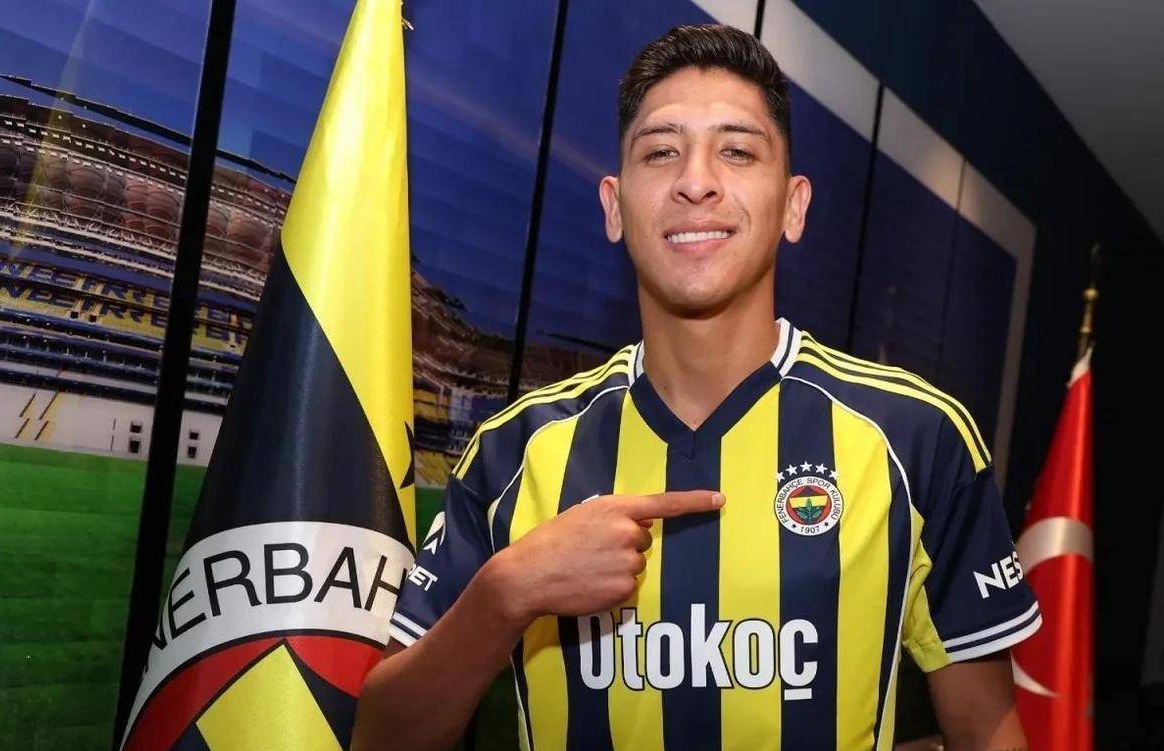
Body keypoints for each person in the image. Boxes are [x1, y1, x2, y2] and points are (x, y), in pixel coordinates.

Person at [354, 23, 1039, 751]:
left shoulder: (917, 437)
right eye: (661, 151)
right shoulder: (514, 450)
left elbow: (986, 726)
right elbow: (381, 739)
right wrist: (506, 593)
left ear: (794, 206)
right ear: (614, 206)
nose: (696, 180)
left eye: (737, 151)